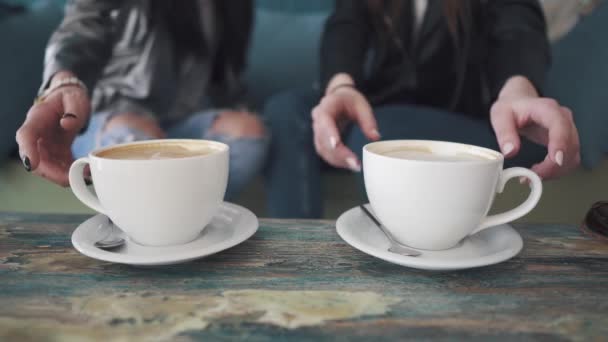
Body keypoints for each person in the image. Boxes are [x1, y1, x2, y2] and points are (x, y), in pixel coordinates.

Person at [264, 0, 580, 218]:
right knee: (285, 109)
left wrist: (518, 90)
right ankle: (301, 258)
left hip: (460, 119)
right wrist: (341, 88)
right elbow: (346, 24)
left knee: (379, 133)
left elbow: (517, 27)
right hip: (378, 110)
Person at [15, 0, 268, 200]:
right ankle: (174, 225)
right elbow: (83, 26)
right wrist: (64, 80)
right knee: (133, 133)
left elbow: (226, 80)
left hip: (184, 120)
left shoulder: (235, 5)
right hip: (113, 113)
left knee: (250, 132)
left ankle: (177, 217)